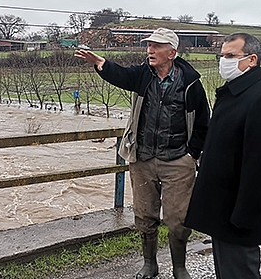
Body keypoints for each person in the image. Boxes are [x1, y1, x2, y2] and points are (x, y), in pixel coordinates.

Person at [74, 28, 209, 279]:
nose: (150, 50)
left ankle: (180, 267)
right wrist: (100, 63)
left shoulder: (191, 83)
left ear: (172, 52)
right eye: (149, 45)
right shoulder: (143, 75)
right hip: (143, 159)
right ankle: (150, 263)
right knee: (145, 215)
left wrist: (192, 154)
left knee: (178, 219)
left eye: (157, 46)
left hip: (178, 160)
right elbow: (121, 75)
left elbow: (203, 122)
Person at [184, 33, 261, 279]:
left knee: (240, 272)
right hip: (221, 206)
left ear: (252, 60)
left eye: (231, 56)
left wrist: (244, 216)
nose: (224, 61)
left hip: (238, 213)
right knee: (226, 271)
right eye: (222, 56)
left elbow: (260, 167)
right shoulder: (233, 93)